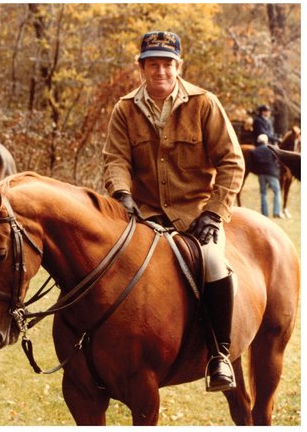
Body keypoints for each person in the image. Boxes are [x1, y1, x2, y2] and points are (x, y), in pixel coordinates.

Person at [103, 31, 245, 392]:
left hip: (197, 212)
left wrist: (214, 213)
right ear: (141, 67)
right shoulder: (125, 109)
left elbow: (231, 161)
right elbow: (115, 159)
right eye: (153, 64)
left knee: (213, 262)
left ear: (178, 66)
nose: (160, 71)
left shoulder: (204, 103)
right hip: (145, 212)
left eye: (167, 63)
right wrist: (122, 195)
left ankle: (219, 355)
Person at [252, 134, 282, 218]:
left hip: (261, 174)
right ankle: (276, 212)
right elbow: (277, 160)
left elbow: (254, 164)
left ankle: (265, 213)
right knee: (277, 192)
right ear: (266, 141)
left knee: (263, 193)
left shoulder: (254, 151)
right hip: (272, 174)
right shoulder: (271, 149)